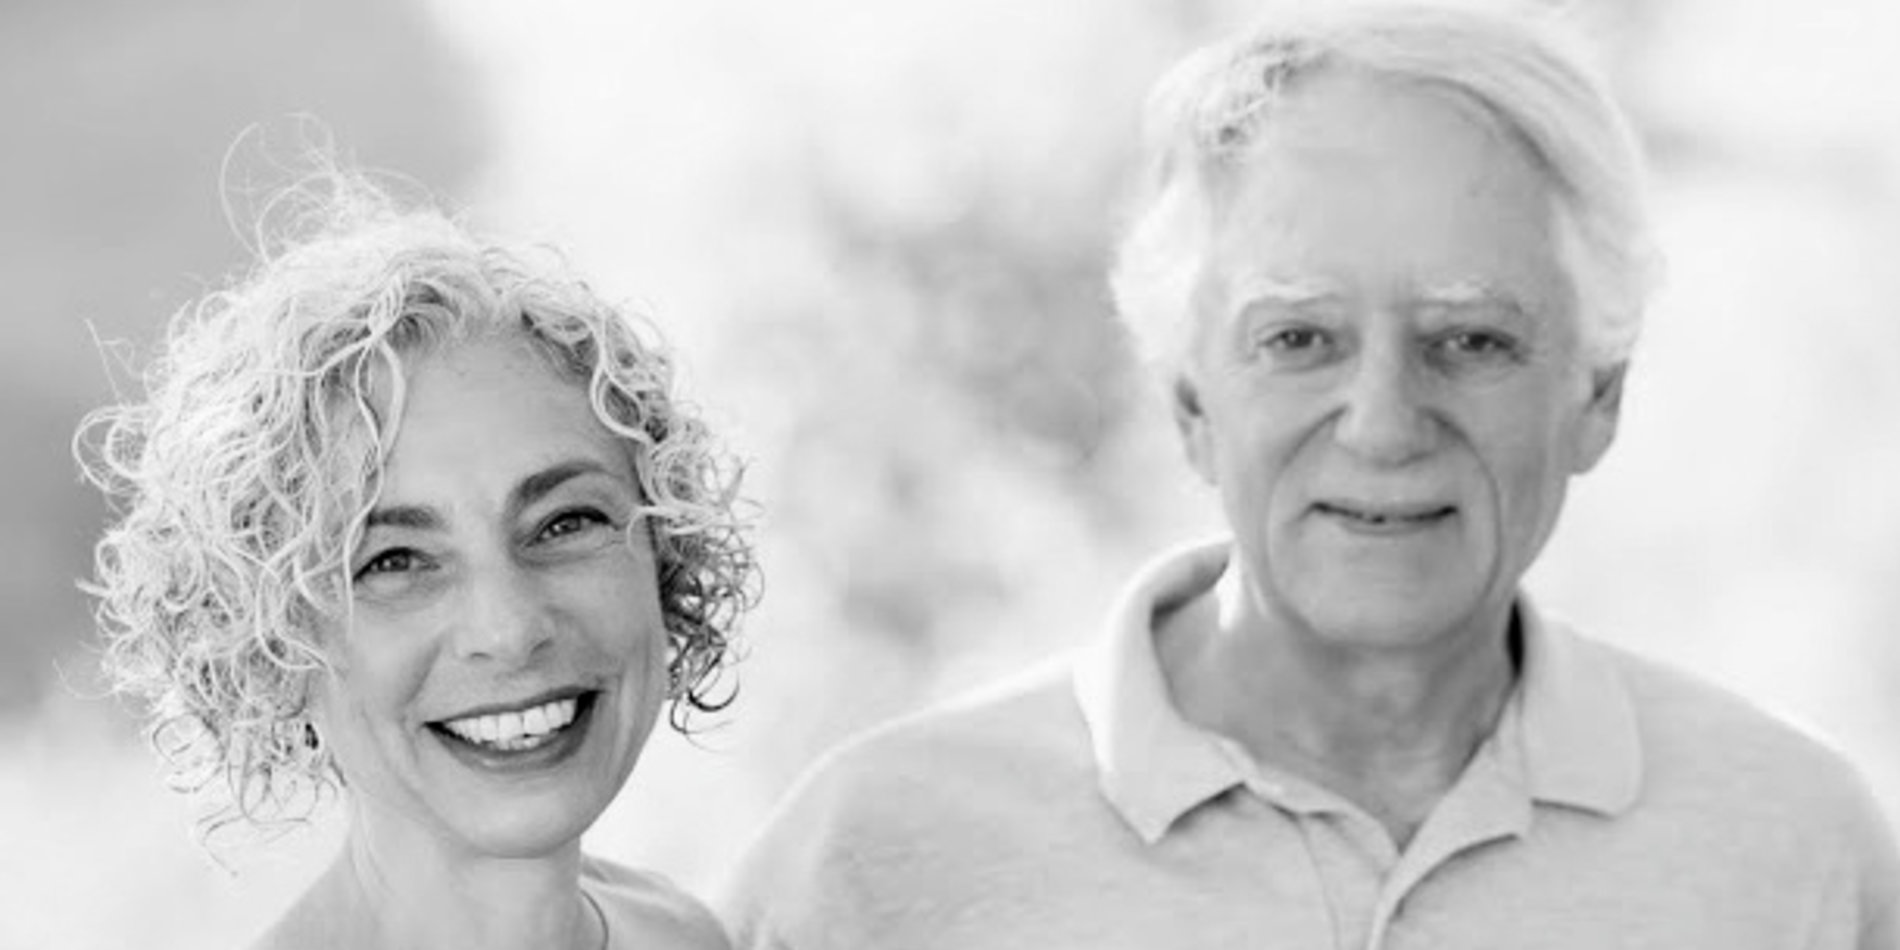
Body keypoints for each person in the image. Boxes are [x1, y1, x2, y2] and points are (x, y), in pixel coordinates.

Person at [718, 1, 1900, 947]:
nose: (1384, 423)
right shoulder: (872, 858)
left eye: (1471, 338)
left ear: (1597, 394)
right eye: (1299, 337)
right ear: (1190, 399)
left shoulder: (1799, 851)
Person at [80, 170, 756, 949]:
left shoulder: (684, 934)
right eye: (395, 561)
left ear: (663, 556)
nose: (508, 628)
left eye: (564, 521)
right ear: (266, 649)